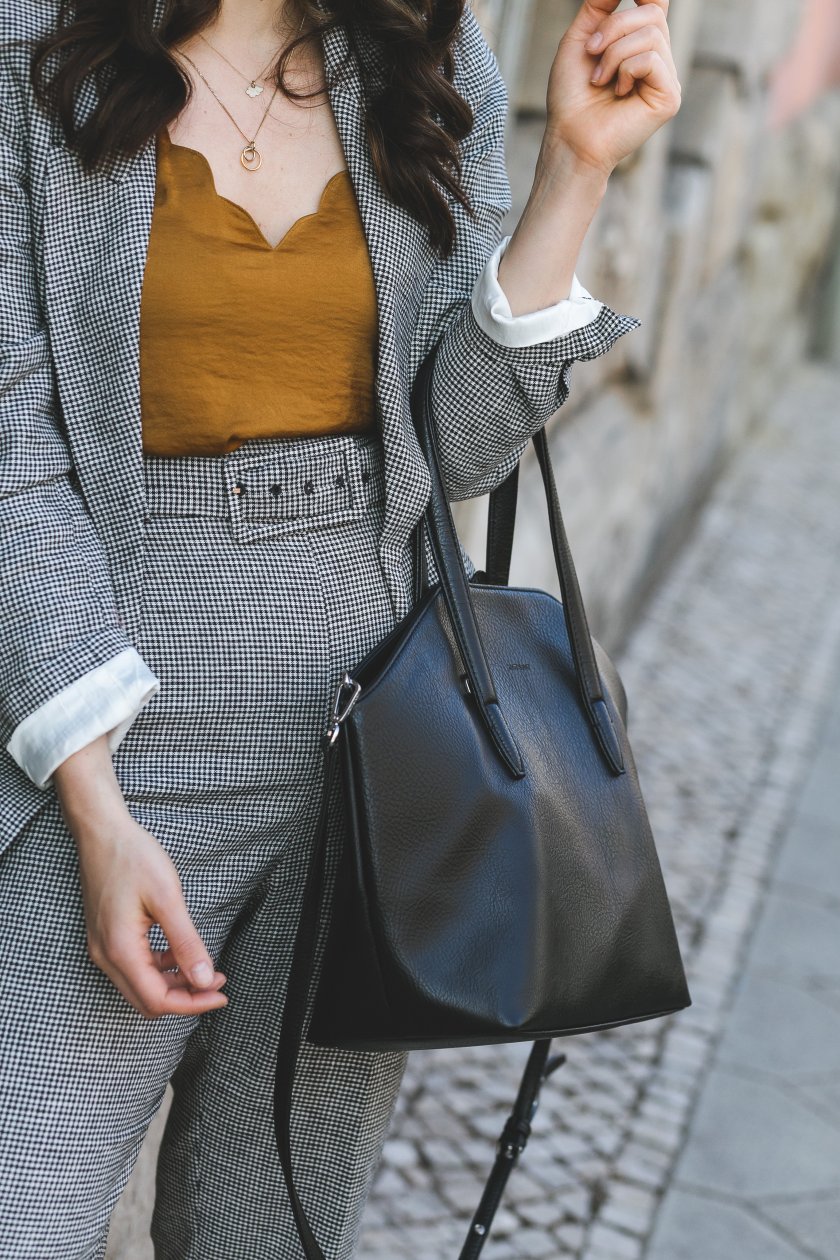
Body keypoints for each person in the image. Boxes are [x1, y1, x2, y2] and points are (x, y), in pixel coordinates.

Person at [0, 0, 680, 1255]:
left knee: (271, 1228)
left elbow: (458, 444)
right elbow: (9, 439)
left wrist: (576, 168)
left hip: (385, 741)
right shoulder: (38, 44)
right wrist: (95, 803)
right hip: (111, 722)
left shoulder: (421, 53)